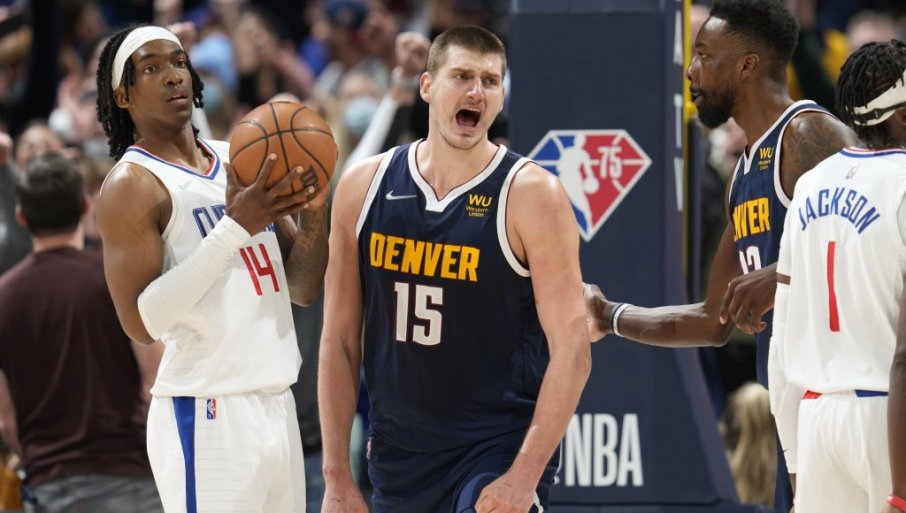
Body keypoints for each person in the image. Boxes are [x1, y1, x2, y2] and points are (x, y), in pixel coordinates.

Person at [583, 1, 858, 511]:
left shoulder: (809, 135)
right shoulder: (744, 174)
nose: (691, 71)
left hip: (850, 402)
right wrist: (609, 316)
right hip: (794, 411)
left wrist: (783, 275)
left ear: (747, 65)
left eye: (705, 55)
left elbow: (876, 248)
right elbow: (714, 320)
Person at [318, 25, 591, 513]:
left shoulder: (532, 195)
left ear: (502, 96)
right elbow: (339, 340)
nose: (476, 92)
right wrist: (336, 476)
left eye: (490, 81)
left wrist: (523, 476)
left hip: (495, 447)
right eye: (462, 76)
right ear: (426, 86)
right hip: (399, 454)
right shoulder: (363, 187)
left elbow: (573, 349)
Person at [94, 25, 329, 513]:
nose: (173, 76)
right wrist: (235, 228)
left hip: (276, 401)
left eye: (179, 62)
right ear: (123, 95)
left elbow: (302, 288)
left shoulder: (236, 158)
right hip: (207, 412)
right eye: (152, 68)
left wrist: (314, 214)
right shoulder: (131, 184)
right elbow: (141, 323)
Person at [768, 39, 906, 513]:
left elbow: (781, 343)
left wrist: (795, 461)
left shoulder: (809, 186)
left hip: (815, 420)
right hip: (890, 419)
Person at [0, 151, 163, 513]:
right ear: (86, 205)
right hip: (130, 473)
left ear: (21, 216)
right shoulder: (114, 281)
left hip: (52, 484)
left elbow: (7, 420)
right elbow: (155, 378)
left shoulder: (4, 298)